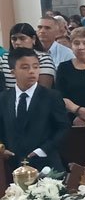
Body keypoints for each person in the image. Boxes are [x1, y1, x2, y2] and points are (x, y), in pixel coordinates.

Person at [0, 48, 69, 177]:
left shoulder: (51, 96)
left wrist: (42, 150)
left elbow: (63, 128)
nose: (32, 71)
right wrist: (2, 148)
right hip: (12, 166)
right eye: (25, 67)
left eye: (36, 67)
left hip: (46, 165)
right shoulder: (4, 98)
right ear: (12, 72)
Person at [2, 23, 55, 89]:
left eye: (22, 38)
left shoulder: (43, 58)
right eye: (14, 39)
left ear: (33, 39)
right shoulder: (4, 58)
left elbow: (44, 89)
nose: (17, 42)